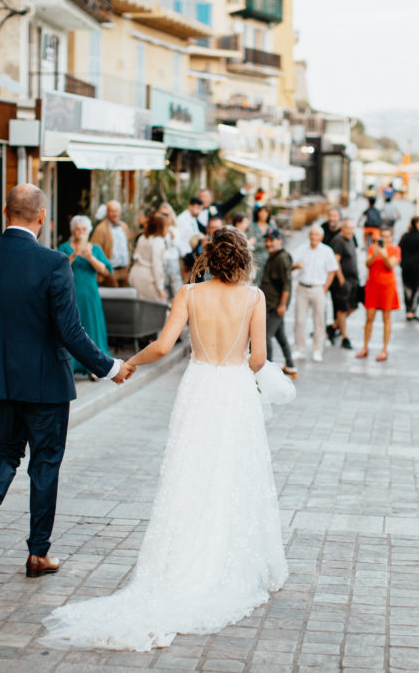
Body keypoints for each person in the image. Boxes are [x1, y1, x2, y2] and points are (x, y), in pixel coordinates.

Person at [41, 228, 289, 651]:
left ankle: (183, 557)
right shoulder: (254, 297)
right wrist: (240, 369)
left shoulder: (189, 294)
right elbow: (260, 358)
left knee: (190, 472)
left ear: (209, 256)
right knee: (232, 472)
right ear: (243, 258)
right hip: (233, 392)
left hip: (199, 389)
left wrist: (129, 363)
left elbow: (161, 346)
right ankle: (224, 555)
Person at [0, 185, 132, 579]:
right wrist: (109, 367)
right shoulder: (54, 263)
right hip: (46, 384)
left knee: (4, 451)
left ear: (5, 212)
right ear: (43, 218)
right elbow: (70, 331)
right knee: (45, 462)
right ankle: (38, 554)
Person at [57, 216, 115, 379]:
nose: (80, 232)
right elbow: (58, 267)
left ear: (89, 231)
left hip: (90, 295)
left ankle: (94, 367)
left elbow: (106, 270)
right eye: (77, 229)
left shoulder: (95, 249)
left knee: (91, 326)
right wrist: (74, 255)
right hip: (70, 293)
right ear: (72, 231)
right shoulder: (65, 247)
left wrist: (90, 257)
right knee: (71, 327)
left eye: (83, 229)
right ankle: (70, 364)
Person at [291, 225, 338, 363]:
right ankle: (299, 349)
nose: (313, 237)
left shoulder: (327, 251)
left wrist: (324, 288)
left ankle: (317, 349)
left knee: (319, 321)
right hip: (302, 288)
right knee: (299, 320)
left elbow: (332, 271)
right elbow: (290, 263)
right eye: (311, 234)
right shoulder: (301, 249)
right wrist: (296, 266)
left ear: (321, 237)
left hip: (318, 289)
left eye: (316, 234)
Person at [356, 226, 400, 362]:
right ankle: (365, 347)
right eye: (383, 236)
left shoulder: (395, 250)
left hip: (387, 286)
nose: (385, 239)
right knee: (369, 317)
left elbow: (390, 265)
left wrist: (384, 254)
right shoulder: (372, 248)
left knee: (386, 318)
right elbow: (367, 264)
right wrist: (375, 254)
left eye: (387, 236)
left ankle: (384, 349)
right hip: (373, 286)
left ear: (391, 237)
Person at [260, 228, 297, 377]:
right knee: (281, 336)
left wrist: (282, 305)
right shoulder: (273, 256)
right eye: (267, 240)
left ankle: (267, 369)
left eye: (271, 240)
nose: (268, 243)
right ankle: (291, 365)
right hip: (271, 304)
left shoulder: (281, 258)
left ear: (280, 240)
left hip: (275, 306)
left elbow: (287, 283)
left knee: (265, 336)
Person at [326, 219, 359, 349]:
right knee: (342, 309)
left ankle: (333, 327)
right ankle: (345, 337)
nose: (350, 231)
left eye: (352, 229)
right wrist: (341, 280)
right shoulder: (338, 241)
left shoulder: (350, 239)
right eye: (348, 228)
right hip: (343, 281)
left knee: (353, 306)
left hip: (353, 280)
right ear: (342, 228)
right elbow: (336, 261)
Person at [91, 200, 132, 287]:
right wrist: (105, 271)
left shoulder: (124, 226)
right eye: (112, 211)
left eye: (116, 211)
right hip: (110, 271)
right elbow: (94, 251)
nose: (114, 214)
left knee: (126, 294)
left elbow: (128, 246)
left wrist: (128, 266)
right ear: (107, 212)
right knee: (114, 295)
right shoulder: (100, 229)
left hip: (124, 270)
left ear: (120, 212)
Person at [129, 212, 169, 302]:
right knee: (159, 305)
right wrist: (160, 288)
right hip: (148, 278)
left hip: (135, 274)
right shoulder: (158, 242)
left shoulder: (142, 238)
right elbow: (157, 265)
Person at [398, 217, 419, 321]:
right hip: (417, 267)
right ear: (417, 223)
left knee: (407, 288)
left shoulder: (405, 236)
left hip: (406, 267)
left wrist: (401, 262)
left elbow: (399, 248)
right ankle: (412, 311)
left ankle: (408, 310)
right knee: (418, 288)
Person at [158, 202, 185, 298]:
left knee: (176, 287)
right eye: (162, 214)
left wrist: (170, 233)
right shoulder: (157, 230)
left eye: (166, 214)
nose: (164, 217)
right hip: (161, 261)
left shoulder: (174, 229)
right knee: (163, 287)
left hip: (173, 261)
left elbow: (177, 244)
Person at [248, 205, 275, 282]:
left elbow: (275, 240)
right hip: (255, 257)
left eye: (265, 212)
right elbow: (250, 241)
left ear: (268, 214)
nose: (263, 214)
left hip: (268, 257)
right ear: (258, 213)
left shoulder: (271, 226)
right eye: (261, 212)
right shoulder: (252, 226)